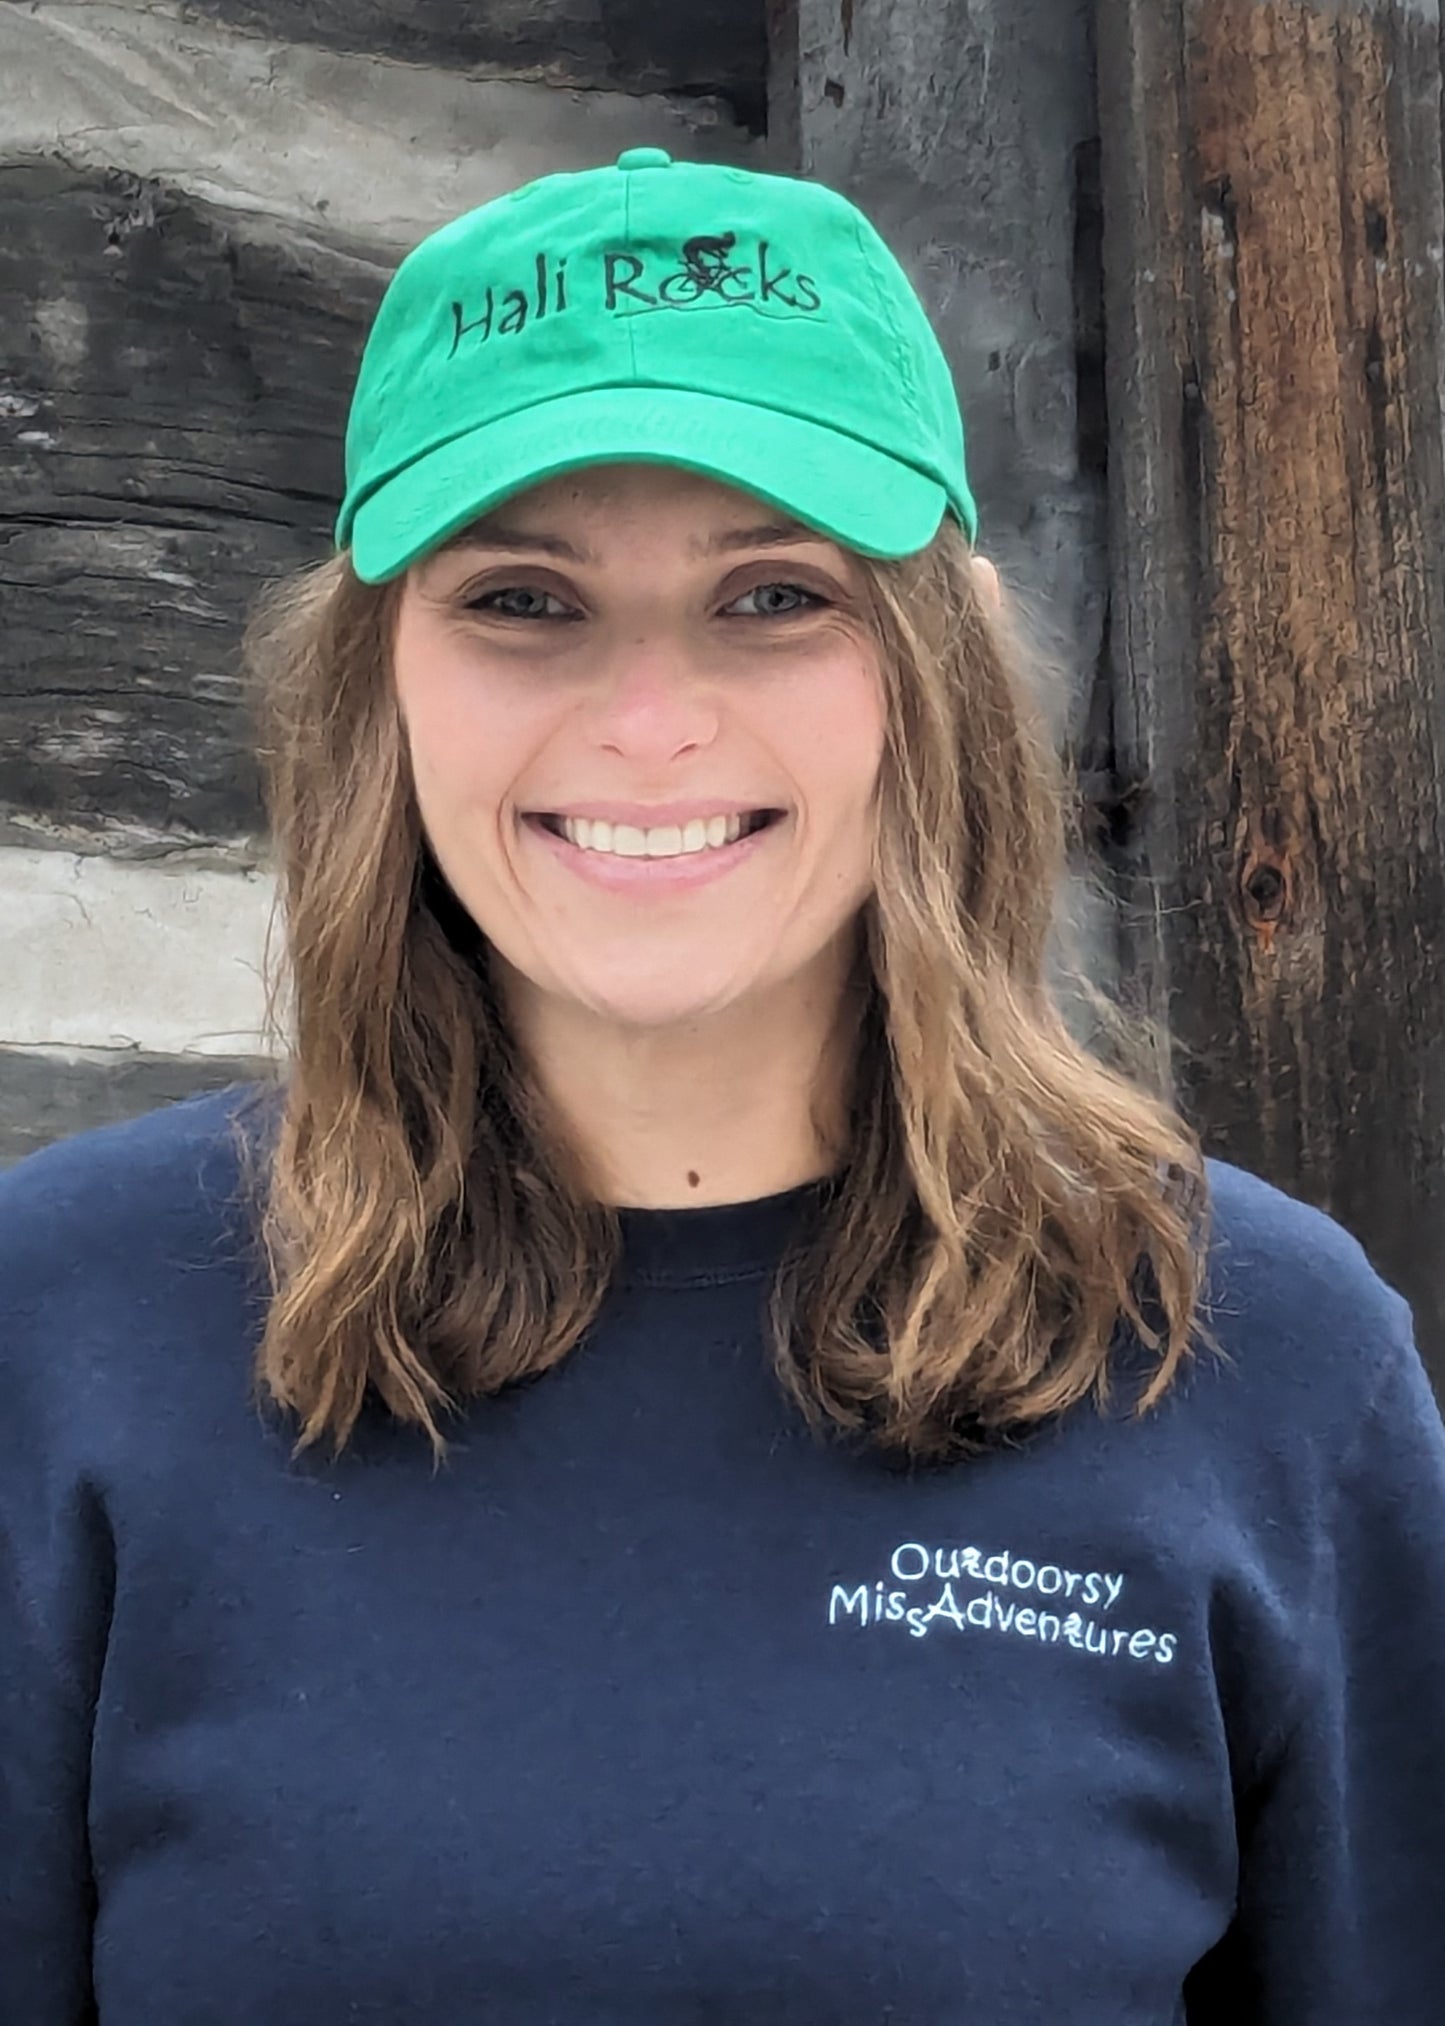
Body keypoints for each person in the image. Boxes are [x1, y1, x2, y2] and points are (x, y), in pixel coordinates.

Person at [2, 146, 1443, 2026]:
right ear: (382, 679)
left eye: (773, 596)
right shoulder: (66, 1324)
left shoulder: (1253, 1355)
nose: (650, 720)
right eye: (523, 600)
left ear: (934, 662)